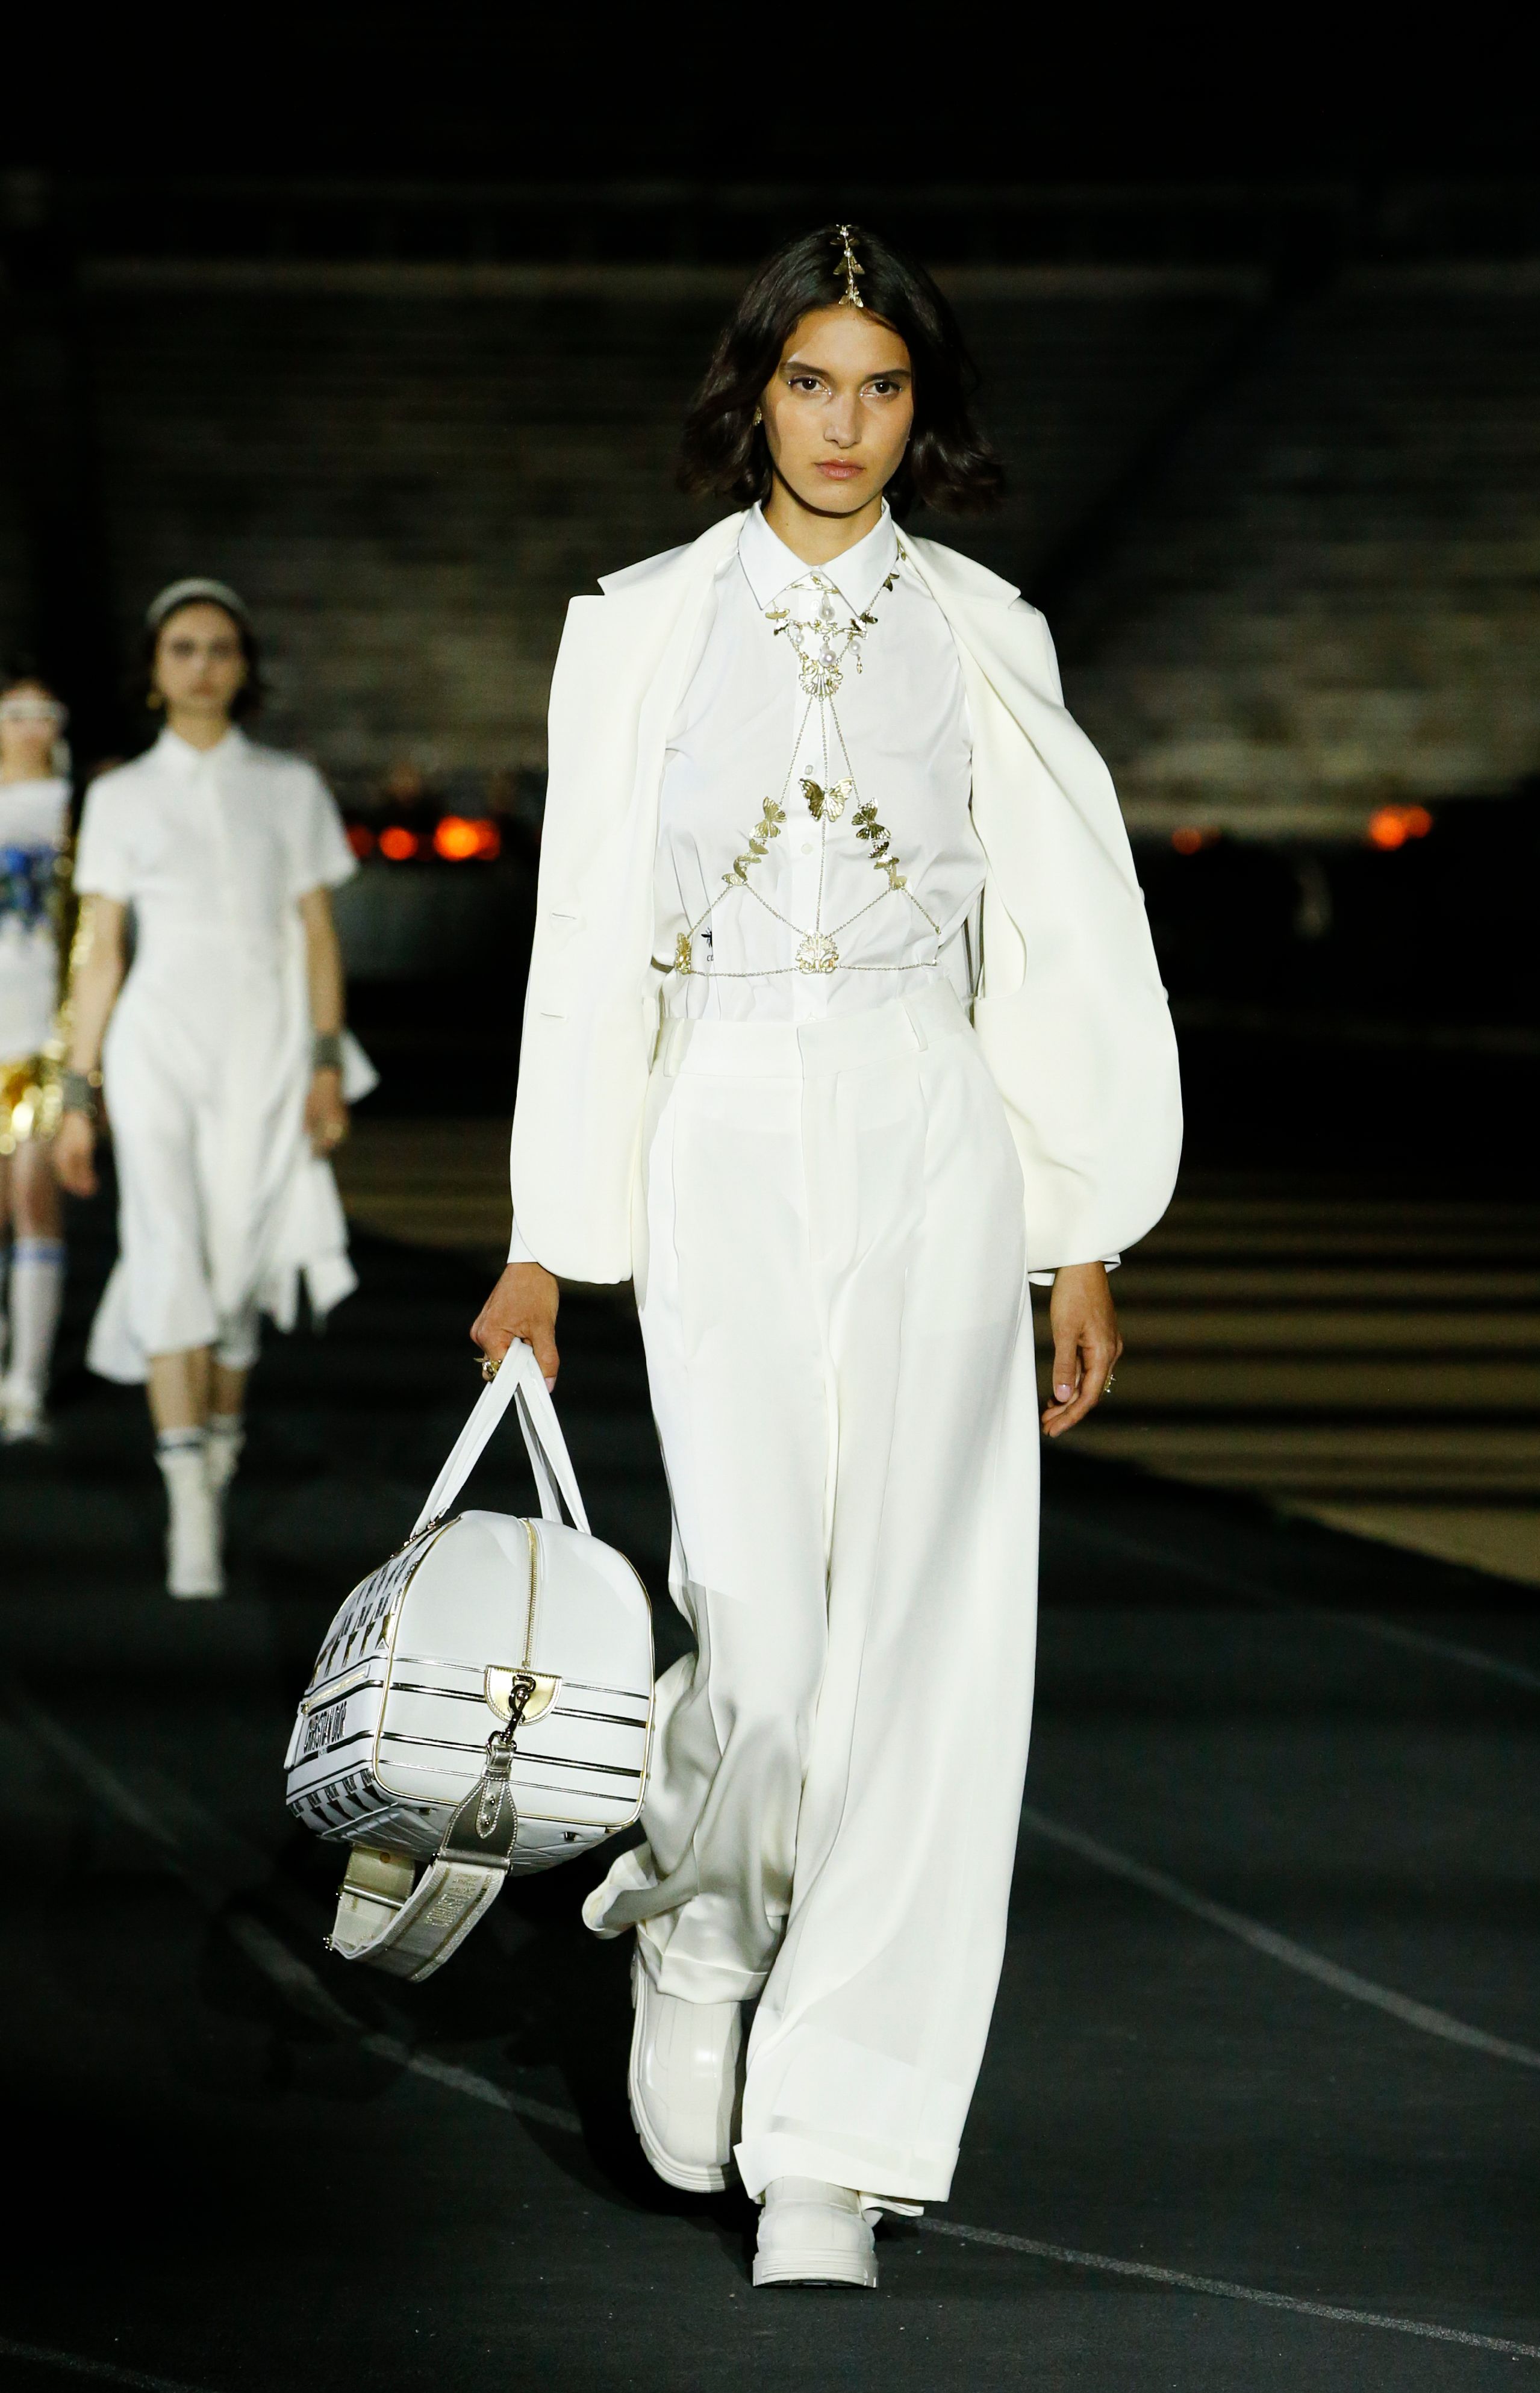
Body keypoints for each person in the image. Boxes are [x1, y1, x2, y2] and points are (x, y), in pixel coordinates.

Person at [472, 227, 1181, 2289]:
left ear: (917, 408)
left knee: (931, 1648)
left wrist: (1076, 1232)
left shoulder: (984, 630)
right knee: (764, 1636)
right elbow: (585, 938)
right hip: (715, 1121)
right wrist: (546, 1240)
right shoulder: (636, 627)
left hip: (929, 1122)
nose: (844, 423)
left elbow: (1054, 940)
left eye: (880, 386)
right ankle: (699, 1927)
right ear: (755, 392)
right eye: (811, 382)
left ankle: (836, 2145)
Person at [54, 580, 370, 1598]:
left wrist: (327, 1060)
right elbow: (101, 949)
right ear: (154, 670)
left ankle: (218, 1457)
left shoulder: (290, 784)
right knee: (165, 1244)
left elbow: (318, 933)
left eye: (220, 648)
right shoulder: (119, 796)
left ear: (245, 666)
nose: (202, 665)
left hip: (265, 1045)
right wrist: (76, 1092)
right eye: (183, 648)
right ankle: (189, 1495)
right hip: (157, 1041)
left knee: (238, 1261)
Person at [0, 669, 73, 1441]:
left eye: (42, 712)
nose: (29, 725)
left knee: (34, 1197)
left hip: (45, 1035)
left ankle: (26, 1383)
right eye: (15, 712)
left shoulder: (73, 808)